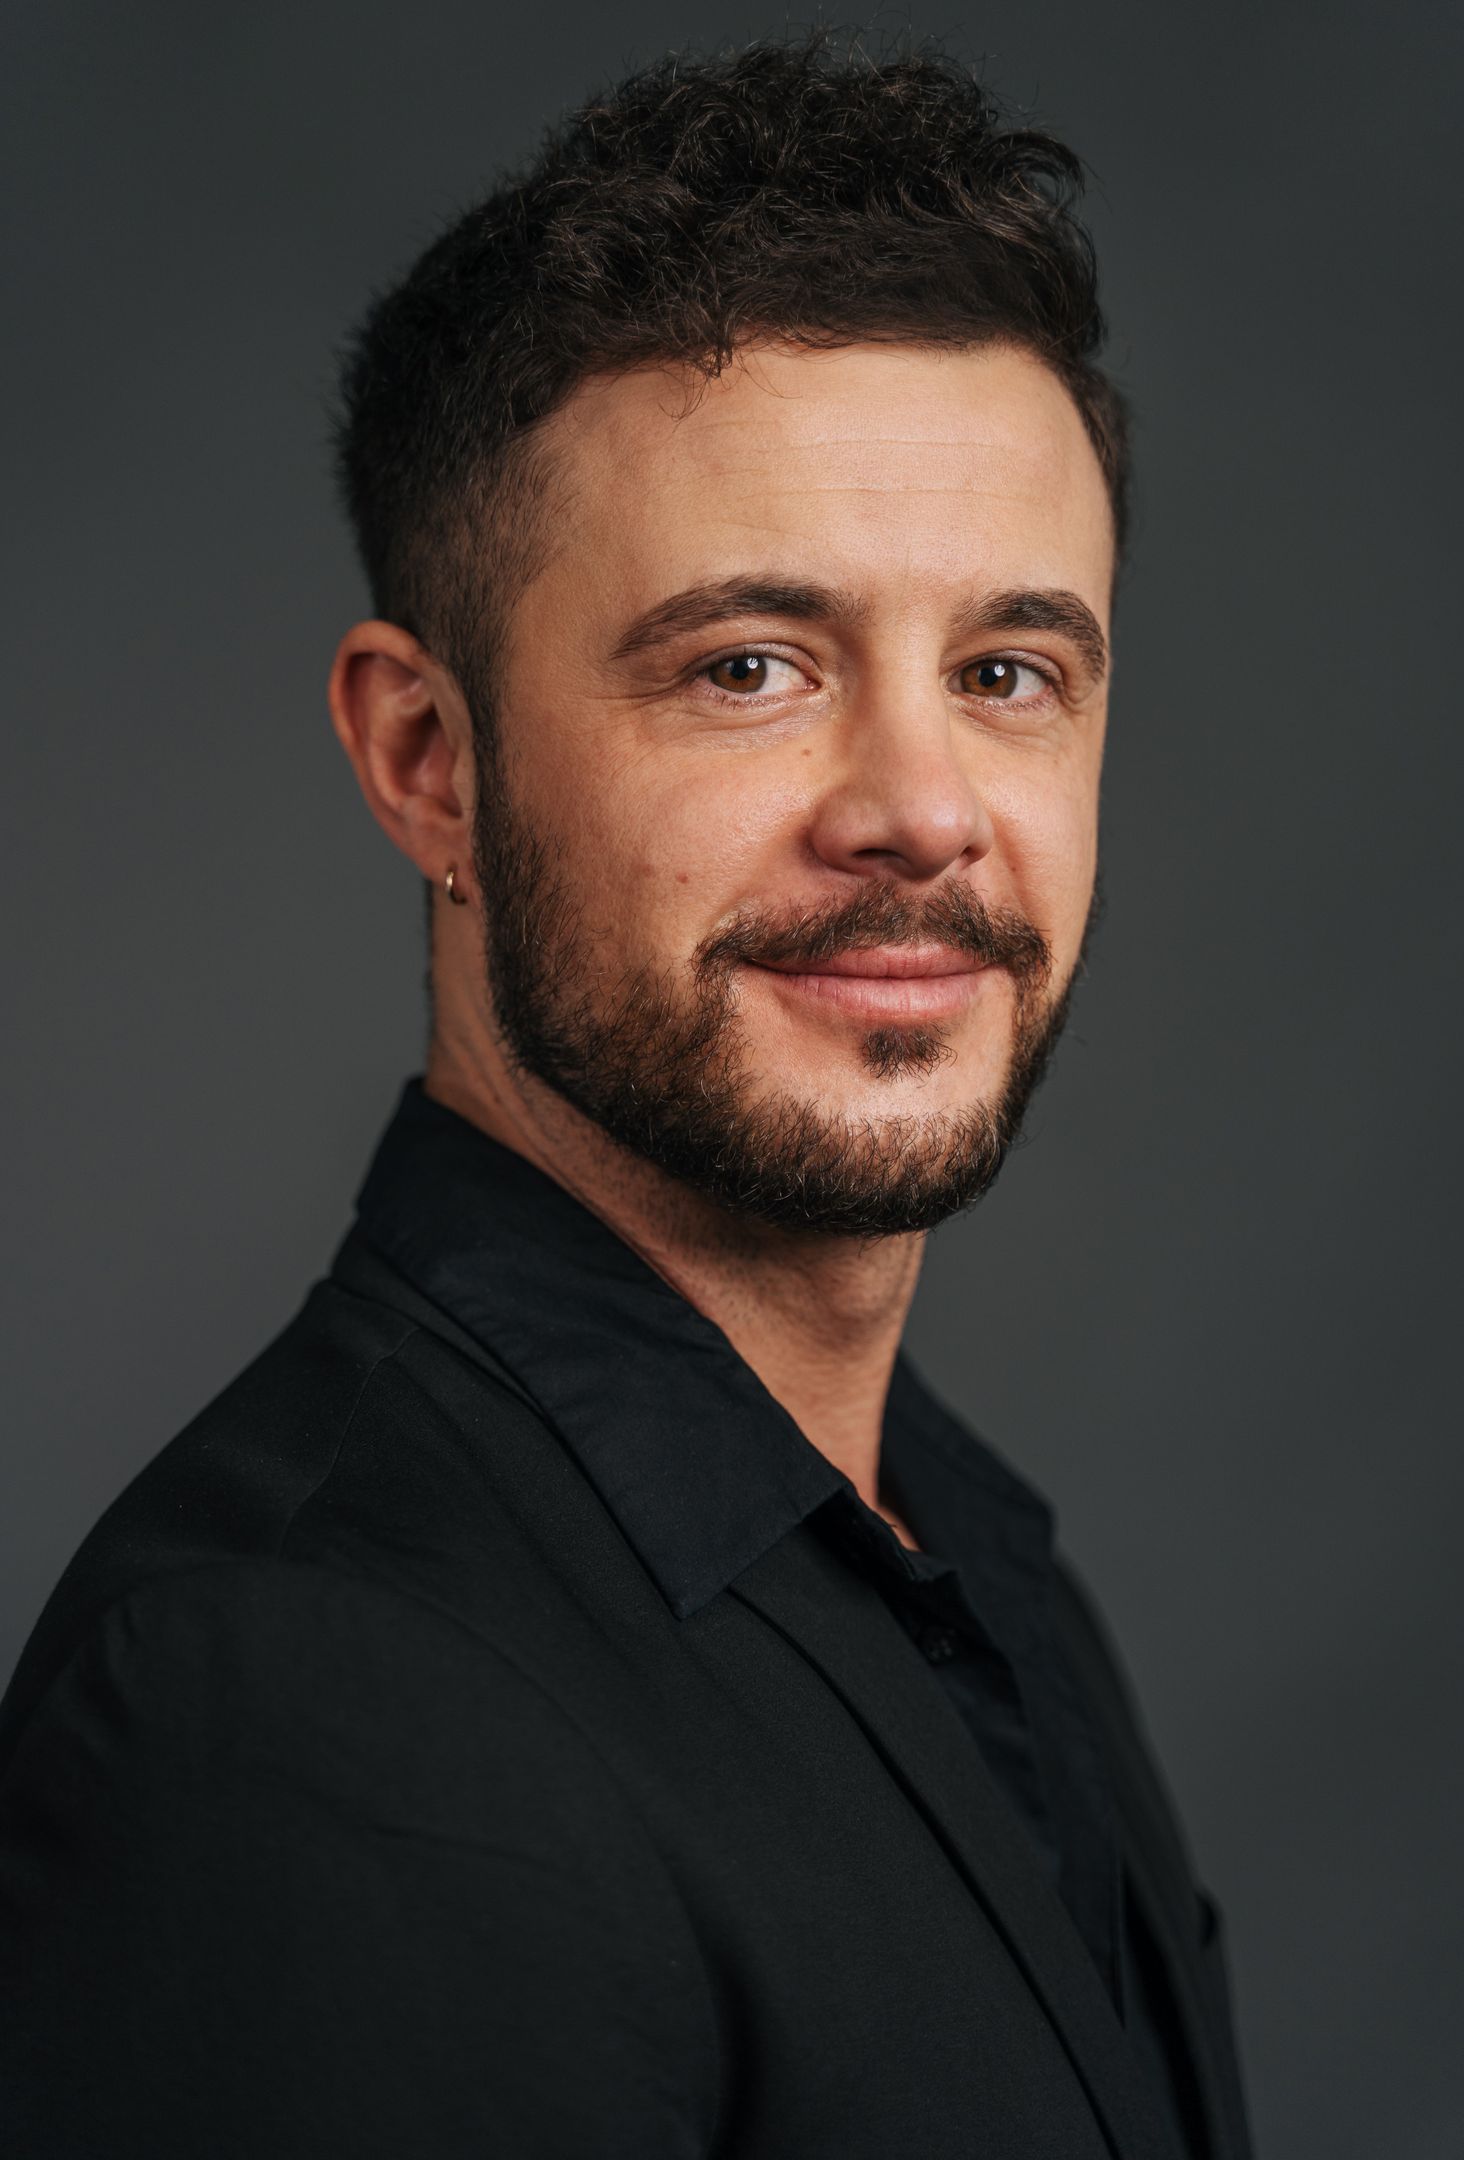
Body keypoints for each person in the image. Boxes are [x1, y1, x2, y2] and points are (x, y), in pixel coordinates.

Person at [0, 31, 1253, 2159]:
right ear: (429, 762)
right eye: (748, 665)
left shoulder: (972, 1571)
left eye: (1008, 672)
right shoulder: (293, 1707)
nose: (922, 806)